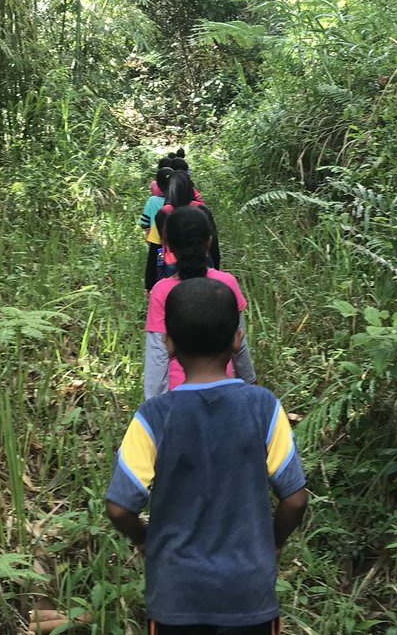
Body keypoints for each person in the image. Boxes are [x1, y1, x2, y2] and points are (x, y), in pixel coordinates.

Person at [106, 277, 307, 633]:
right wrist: (272, 544)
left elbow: (120, 507)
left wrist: (143, 540)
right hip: (250, 596)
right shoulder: (264, 407)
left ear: (167, 344)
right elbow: (294, 499)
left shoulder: (154, 417)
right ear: (237, 339)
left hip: (175, 598)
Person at [144, 206, 254, 398]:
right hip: (224, 391)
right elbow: (240, 343)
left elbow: (158, 355)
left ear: (168, 246)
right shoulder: (227, 283)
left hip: (178, 396)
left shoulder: (161, 291)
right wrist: (251, 386)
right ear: (209, 242)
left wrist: (155, 407)